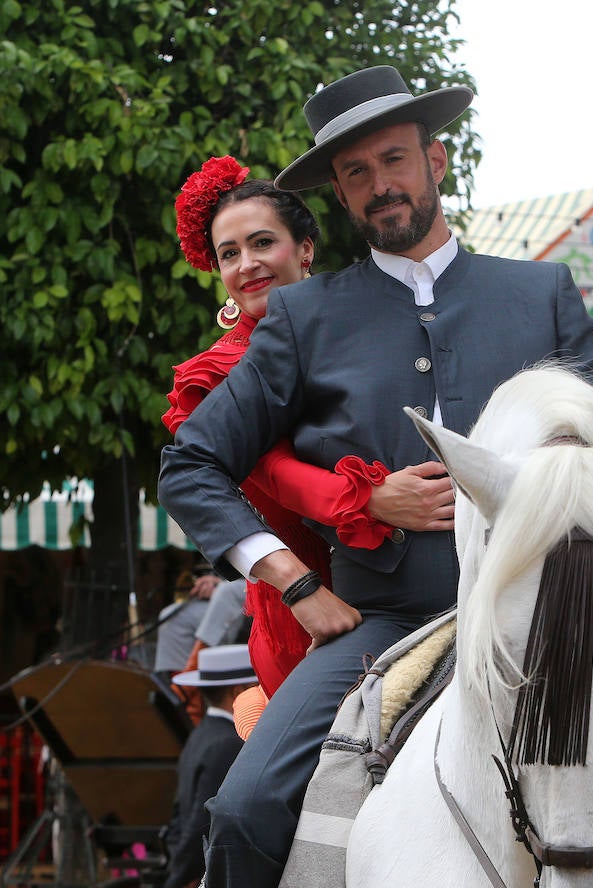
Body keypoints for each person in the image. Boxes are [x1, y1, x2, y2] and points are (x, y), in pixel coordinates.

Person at [158, 65, 593, 888]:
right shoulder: (305, 319)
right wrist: (295, 582)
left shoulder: (543, 295)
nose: (380, 184)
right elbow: (191, 464)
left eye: (394, 159)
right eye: (356, 173)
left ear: (437, 159)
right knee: (241, 813)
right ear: (343, 196)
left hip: (562, 616)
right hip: (386, 626)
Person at [162, 157, 446, 701]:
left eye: (263, 243)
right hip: (308, 606)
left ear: (306, 249)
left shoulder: (363, 330)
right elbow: (274, 473)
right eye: (229, 254)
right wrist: (372, 498)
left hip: (420, 580)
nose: (247, 264)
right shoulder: (217, 374)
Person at [150, 644, 261, 888]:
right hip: (207, 878)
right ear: (238, 693)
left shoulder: (201, 735)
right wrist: (175, 887)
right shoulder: (229, 742)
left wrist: (176, 877)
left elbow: (182, 814)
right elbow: (202, 820)